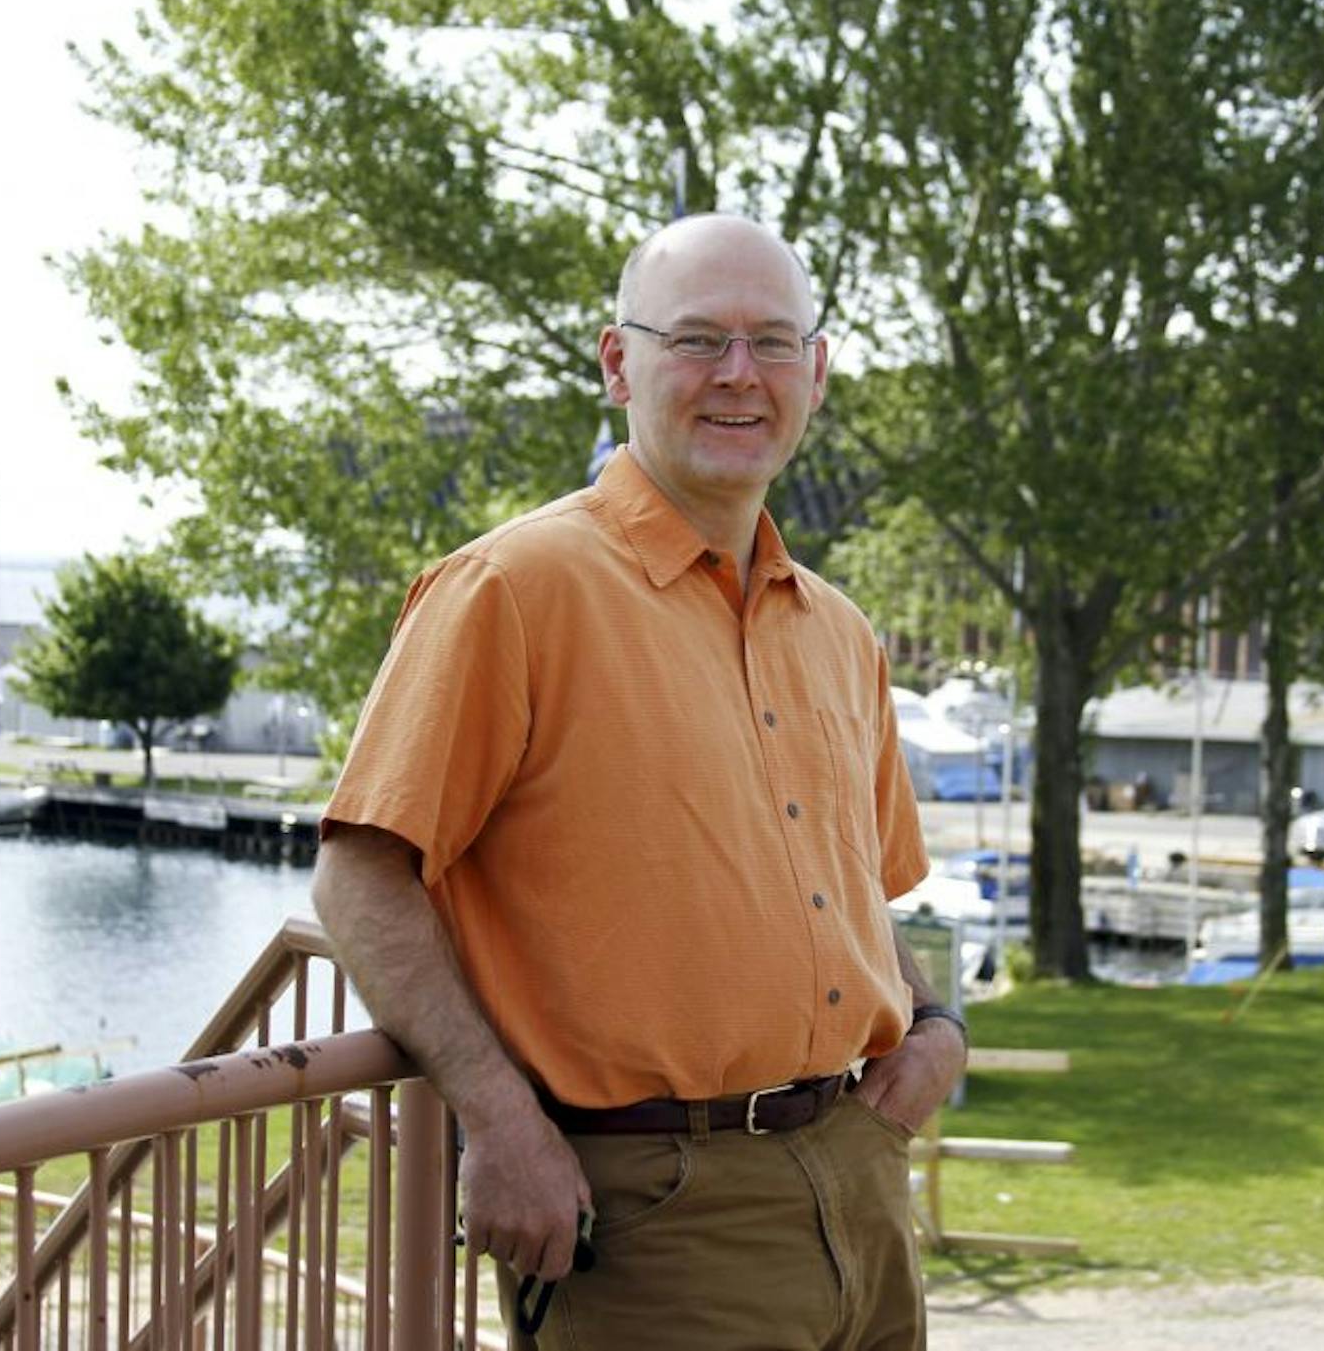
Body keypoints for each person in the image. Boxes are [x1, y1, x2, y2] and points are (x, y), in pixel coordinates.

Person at [311, 213, 967, 1349]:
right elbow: (360, 876)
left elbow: (855, 896)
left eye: (773, 343)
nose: (738, 375)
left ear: (816, 374)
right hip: (653, 1215)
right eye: (697, 338)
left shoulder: (841, 632)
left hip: (859, 1184)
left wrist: (936, 1022)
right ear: (619, 364)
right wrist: (498, 1120)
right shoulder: (511, 590)